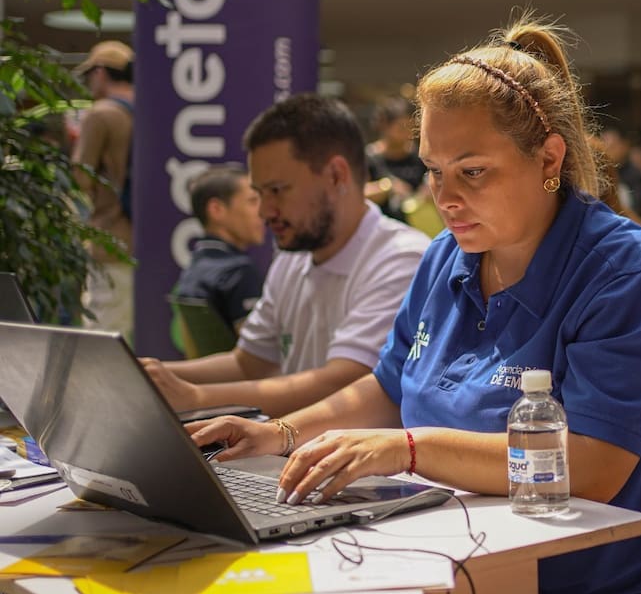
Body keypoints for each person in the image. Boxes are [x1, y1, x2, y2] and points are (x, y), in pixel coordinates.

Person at [188, 18, 641, 594]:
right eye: (434, 172)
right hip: (471, 571)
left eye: (472, 172)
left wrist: (410, 449)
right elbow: (387, 388)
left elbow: (589, 467)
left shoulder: (627, 276)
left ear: (549, 160)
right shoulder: (448, 257)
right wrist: (280, 434)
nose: (445, 198)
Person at [142, 94, 431, 417]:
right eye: (259, 194)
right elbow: (249, 362)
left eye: (277, 190)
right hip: (289, 451)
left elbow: (344, 383)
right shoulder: (293, 256)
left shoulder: (402, 259)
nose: (265, 211)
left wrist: (196, 397)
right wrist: (150, 375)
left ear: (336, 176)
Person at [71, 40, 135, 342]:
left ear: (100, 72)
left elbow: (80, 177)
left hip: (110, 238)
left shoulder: (101, 114)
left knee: (104, 335)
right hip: (146, 242)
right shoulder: (150, 112)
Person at [174, 164, 266, 333]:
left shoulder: (192, 271)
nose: (263, 211)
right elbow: (257, 355)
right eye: (253, 201)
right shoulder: (239, 272)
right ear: (216, 210)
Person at [363, 95, 428, 223]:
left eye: (411, 127)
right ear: (384, 126)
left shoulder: (420, 156)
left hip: (415, 228)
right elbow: (357, 194)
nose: (407, 133)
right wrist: (387, 188)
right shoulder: (369, 157)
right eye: (401, 128)